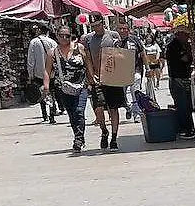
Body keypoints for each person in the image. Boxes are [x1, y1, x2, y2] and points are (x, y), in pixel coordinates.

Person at [80, 14, 125, 150]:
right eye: (93, 26)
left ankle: (114, 138)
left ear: (103, 23)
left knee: (113, 108)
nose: (96, 29)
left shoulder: (113, 35)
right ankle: (104, 131)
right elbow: (87, 58)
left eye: (98, 25)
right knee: (98, 108)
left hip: (112, 77)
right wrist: (91, 75)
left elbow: (120, 55)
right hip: (97, 79)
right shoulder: (88, 38)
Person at [50, 28, 88, 153]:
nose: (64, 38)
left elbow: (88, 63)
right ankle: (78, 137)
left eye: (67, 36)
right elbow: (47, 70)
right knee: (72, 113)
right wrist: (45, 86)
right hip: (63, 88)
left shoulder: (79, 48)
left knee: (79, 111)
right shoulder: (53, 52)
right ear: (57, 36)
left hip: (81, 85)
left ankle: (78, 139)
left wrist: (92, 78)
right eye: (61, 35)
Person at [165, 25, 195, 139]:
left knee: (187, 105)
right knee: (183, 106)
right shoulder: (174, 46)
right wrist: (191, 50)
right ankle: (186, 129)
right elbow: (184, 59)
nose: (188, 37)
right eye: (186, 35)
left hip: (183, 77)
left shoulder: (182, 45)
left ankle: (189, 128)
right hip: (177, 79)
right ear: (180, 35)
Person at [26, 27, 59, 123]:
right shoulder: (53, 42)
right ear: (48, 32)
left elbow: (31, 60)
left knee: (40, 92)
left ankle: (44, 114)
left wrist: (30, 74)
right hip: (51, 73)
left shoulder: (34, 42)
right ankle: (52, 115)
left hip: (39, 72)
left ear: (39, 31)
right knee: (51, 93)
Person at [116, 22, 145, 121]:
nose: (123, 31)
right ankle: (128, 107)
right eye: (120, 29)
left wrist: (148, 68)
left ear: (128, 30)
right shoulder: (115, 42)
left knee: (135, 93)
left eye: (125, 28)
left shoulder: (134, 39)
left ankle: (137, 114)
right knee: (121, 95)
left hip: (134, 70)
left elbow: (142, 53)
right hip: (120, 72)